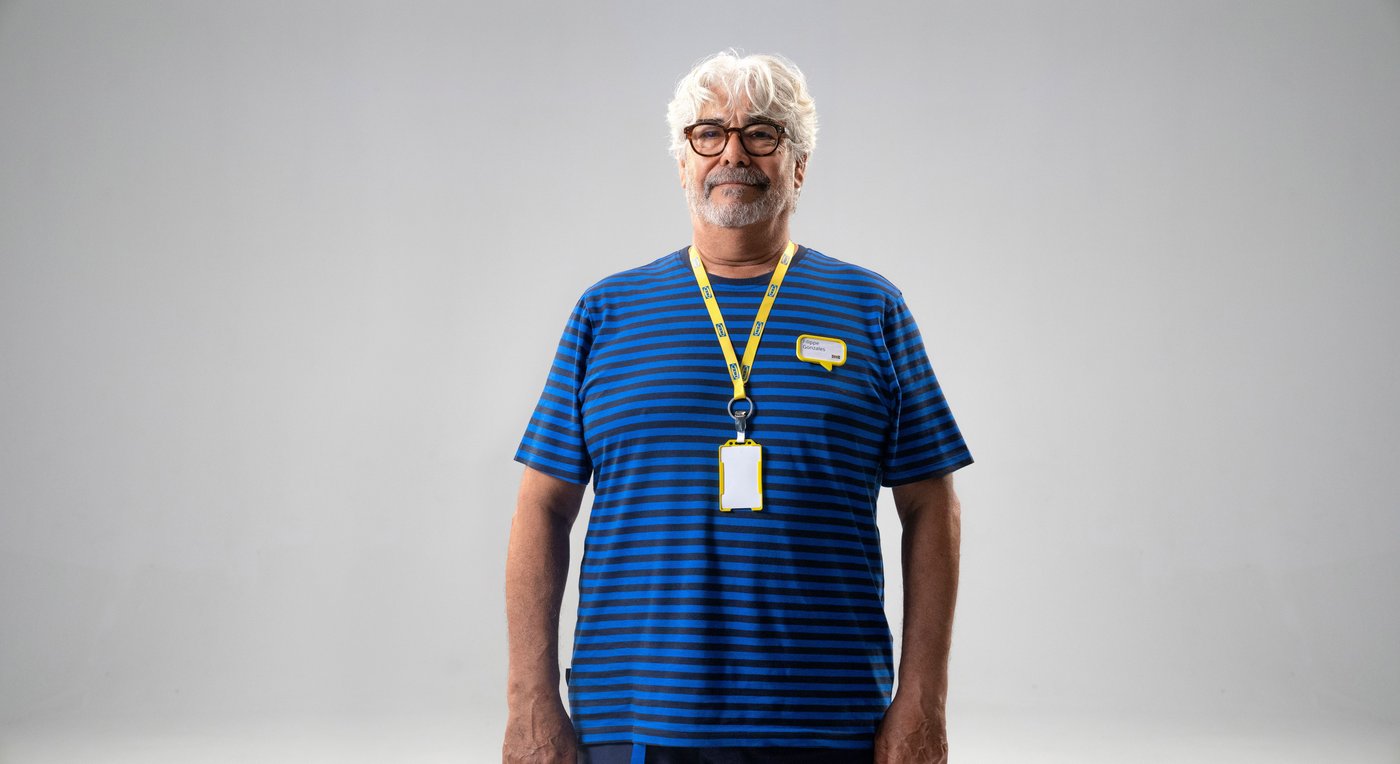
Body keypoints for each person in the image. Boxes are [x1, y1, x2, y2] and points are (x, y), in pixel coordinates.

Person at [504, 51, 972, 764]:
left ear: (800, 163)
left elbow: (931, 505)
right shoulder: (608, 313)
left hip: (829, 721)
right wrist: (530, 702)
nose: (733, 152)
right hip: (636, 721)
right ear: (682, 163)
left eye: (763, 133)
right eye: (708, 133)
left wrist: (924, 702)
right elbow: (542, 506)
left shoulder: (872, 309)